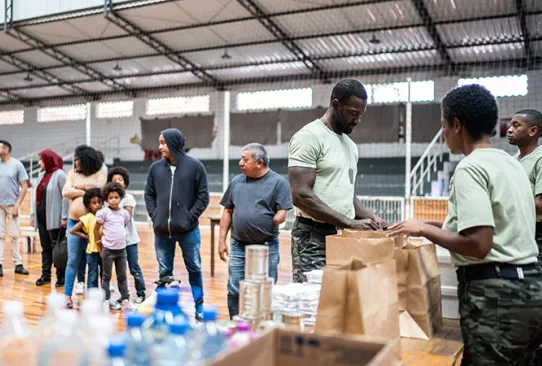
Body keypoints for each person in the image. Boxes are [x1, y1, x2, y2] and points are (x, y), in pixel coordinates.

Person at [390, 84, 542, 365]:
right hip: (531, 290)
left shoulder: (471, 167)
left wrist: (424, 231)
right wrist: (423, 221)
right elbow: (489, 221)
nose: (444, 134)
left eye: (444, 126)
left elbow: (479, 244)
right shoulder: (512, 165)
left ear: (457, 125)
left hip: (497, 296)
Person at [287, 78, 389, 283]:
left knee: (339, 301)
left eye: (361, 115)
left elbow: (347, 194)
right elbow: (300, 195)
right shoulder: (309, 136)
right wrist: (350, 223)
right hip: (312, 237)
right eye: (353, 113)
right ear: (335, 105)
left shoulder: (351, 146)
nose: (357, 120)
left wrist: (372, 217)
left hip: (341, 236)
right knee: (313, 302)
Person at [218, 143, 293, 318]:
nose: (240, 163)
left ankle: (263, 324)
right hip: (238, 245)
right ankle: (235, 323)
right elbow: (228, 210)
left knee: (267, 289)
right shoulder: (237, 181)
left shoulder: (279, 183)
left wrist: (280, 215)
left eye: (245, 160)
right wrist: (221, 241)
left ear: (259, 163)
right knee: (234, 288)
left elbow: (283, 209)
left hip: (267, 246)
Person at [144, 128, 209, 320]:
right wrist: (155, 216)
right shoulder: (155, 168)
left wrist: (190, 217)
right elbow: (149, 194)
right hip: (162, 231)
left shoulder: (195, 166)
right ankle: (164, 310)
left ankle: (199, 308)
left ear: (173, 143)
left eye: (163, 143)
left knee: (194, 269)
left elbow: (203, 196)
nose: (160, 147)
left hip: (189, 231)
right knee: (164, 273)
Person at [62, 145, 107, 307]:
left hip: (95, 225)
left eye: (77, 159)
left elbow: (100, 191)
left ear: (86, 160)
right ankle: (67, 295)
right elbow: (65, 192)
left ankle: (94, 296)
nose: (75, 163)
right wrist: (85, 192)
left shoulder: (100, 174)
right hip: (74, 223)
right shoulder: (72, 174)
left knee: (94, 260)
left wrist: (79, 188)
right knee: (72, 260)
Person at [0, 140, 30, 277]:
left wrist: (17, 205)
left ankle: (18, 264)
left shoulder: (17, 165)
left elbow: (24, 187)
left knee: (14, 235)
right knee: (0, 235)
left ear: (6, 150)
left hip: (12, 205)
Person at [507, 109, 542, 262]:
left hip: (536, 233)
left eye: (516, 125)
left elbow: (539, 205)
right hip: (516, 230)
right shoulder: (511, 160)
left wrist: (502, 210)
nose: (509, 129)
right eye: (510, 125)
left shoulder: (540, 158)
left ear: (532, 131)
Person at [108, 166, 146, 304]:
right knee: (120, 271)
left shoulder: (128, 198)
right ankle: (124, 295)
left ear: (125, 182)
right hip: (116, 242)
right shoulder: (108, 199)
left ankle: (141, 293)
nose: (118, 181)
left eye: (120, 179)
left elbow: (126, 217)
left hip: (129, 240)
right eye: (114, 180)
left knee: (134, 267)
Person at [31, 149, 69, 287]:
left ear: (48, 160)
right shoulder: (41, 175)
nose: (39, 162)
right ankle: (45, 275)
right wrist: (32, 216)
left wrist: (64, 217)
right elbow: (34, 198)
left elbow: (66, 197)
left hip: (55, 220)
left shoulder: (60, 175)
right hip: (42, 219)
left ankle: (61, 277)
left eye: (41, 159)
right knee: (45, 248)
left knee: (57, 249)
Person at [95, 182, 131, 310]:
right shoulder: (103, 213)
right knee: (106, 276)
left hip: (121, 250)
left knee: (122, 276)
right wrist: (99, 244)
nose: (114, 200)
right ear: (106, 199)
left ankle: (125, 298)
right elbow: (96, 229)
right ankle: (105, 299)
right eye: (110, 198)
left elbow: (124, 226)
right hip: (108, 250)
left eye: (116, 197)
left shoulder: (125, 214)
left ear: (120, 197)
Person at [69, 188, 103, 299]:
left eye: (99, 202)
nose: (97, 205)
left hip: (104, 251)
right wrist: (85, 236)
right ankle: (92, 298)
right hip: (92, 251)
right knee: (93, 275)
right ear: (88, 205)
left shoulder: (105, 216)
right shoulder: (87, 218)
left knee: (105, 275)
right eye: (94, 203)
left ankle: (103, 296)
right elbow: (72, 230)